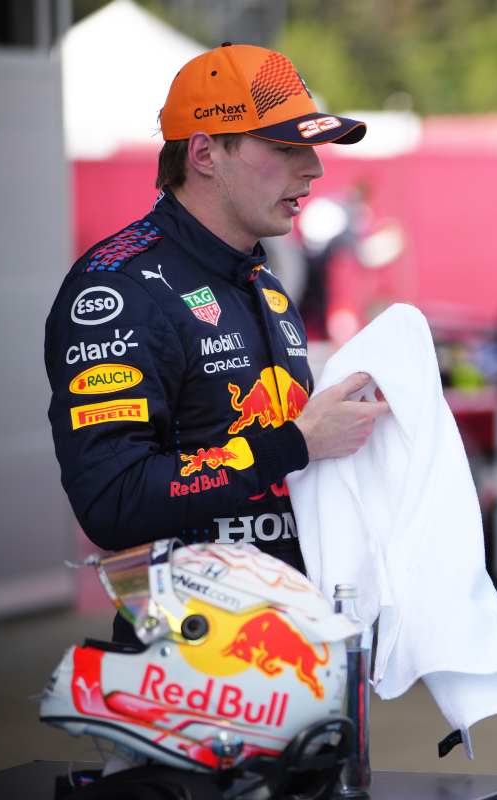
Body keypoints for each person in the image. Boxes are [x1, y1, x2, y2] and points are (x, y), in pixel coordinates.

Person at [44, 43, 388, 642]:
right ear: (204, 151)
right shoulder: (117, 291)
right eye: (285, 147)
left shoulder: (265, 283)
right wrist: (295, 443)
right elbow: (113, 501)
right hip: (188, 672)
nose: (314, 168)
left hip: (298, 645)